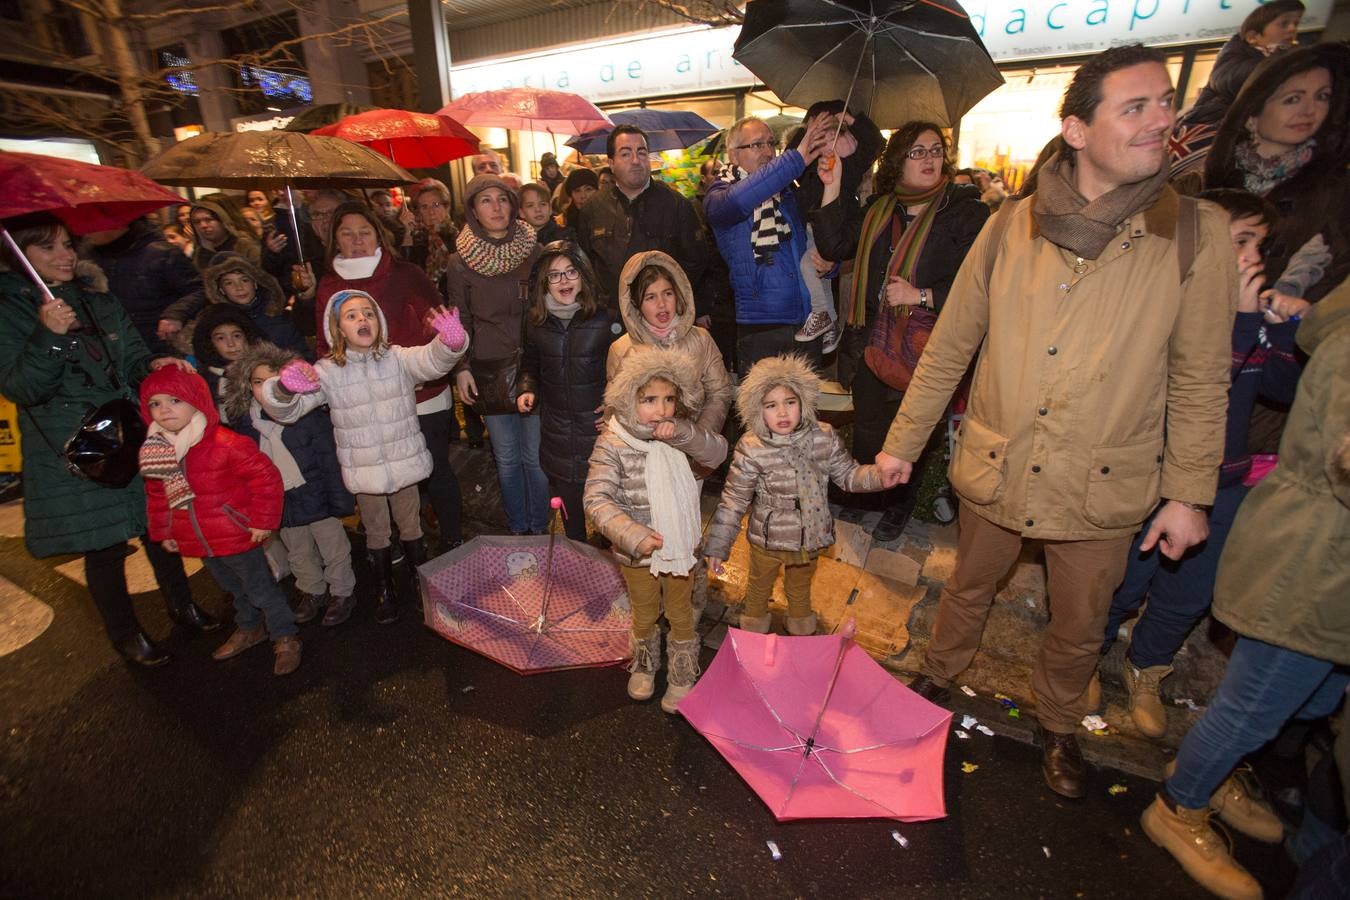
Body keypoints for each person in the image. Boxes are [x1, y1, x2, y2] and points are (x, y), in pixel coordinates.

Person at [876, 45, 1238, 800]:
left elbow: (1201, 378)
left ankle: (1059, 723)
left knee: (1080, 621)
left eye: (1164, 103)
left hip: (1104, 476)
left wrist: (1188, 493)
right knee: (967, 588)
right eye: (1134, 107)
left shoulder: (1197, 233)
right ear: (1076, 129)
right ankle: (939, 679)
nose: (1160, 120)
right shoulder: (1011, 225)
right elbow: (950, 349)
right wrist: (901, 447)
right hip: (1001, 460)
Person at [1140, 276, 1350, 900]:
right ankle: (1179, 807)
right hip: (1315, 563)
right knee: (1254, 706)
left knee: (1303, 705)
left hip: (1328, 565)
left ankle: (1207, 769)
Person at [1099, 189, 1303, 739]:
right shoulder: (1171, 303)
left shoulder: (1260, 315)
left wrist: (1280, 326)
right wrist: (1239, 320)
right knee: (1123, 578)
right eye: (1238, 242)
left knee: (1188, 590)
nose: (1249, 259)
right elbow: (1210, 380)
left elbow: (1283, 388)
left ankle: (1147, 669)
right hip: (1154, 470)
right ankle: (1085, 656)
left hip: (1228, 476)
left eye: (1259, 246)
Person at [0, 213, 217, 667]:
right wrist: (49, 336)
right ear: (19, 257)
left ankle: (182, 605)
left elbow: (132, 357)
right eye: (49, 248)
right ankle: (125, 633)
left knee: (158, 525)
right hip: (74, 447)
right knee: (103, 545)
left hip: (129, 429)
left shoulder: (96, 299)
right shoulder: (10, 310)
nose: (65, 255)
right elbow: (22, 387)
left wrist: (154, 368)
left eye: (66, 244)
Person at [813, 120, 989, 542]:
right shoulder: (880, 208)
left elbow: (982, 283)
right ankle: (871, 495)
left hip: (930, 344)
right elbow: (834, 244)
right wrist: (833, 182)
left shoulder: (964, 211)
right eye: (917, 151)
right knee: (872, 423)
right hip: (875, 340)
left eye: (935, 150)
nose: (929, 159)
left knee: (913, 429)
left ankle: (898, 505)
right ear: (897, 161)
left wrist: (921, 295)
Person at [263, 291, 468, 624]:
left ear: (380, 321)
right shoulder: (328, 371)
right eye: (352, 315)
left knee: (411, 524)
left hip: (404, 462)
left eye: (368, 313)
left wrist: (450, 344)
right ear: (338, 329)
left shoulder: (397, 358)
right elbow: (288, 411)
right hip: (365, 471)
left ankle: (419, 584)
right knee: (377, 531)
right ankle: (385, 588)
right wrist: (284, 389)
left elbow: (430, 361)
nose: (362, 319)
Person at [314, 201, 467, 553]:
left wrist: (439, 339)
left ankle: (450, 538)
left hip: (420, 389)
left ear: (378, 236)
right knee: (378, 481)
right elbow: (326, 345)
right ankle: (392, 545)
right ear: (334, 240)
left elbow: (439, 319)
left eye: (365, 233)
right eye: (347, 234)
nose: (357, 241)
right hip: (364, 403)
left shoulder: (405, 273)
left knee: (432, 470)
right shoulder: (329, 284)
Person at [584, 349, 728, 712]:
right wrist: (633, 534)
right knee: (645, 612)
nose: (661, 409)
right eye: (649, 400)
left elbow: (716, 454)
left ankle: (682, 674)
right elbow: (596, 499)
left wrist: (683, 433)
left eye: (668, 399)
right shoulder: (613, 442)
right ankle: (645, 664)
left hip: (680, 549)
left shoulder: (680, 435)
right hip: (636, 555)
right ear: (628, 400)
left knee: (681, 614)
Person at [704, 354, 886, 635]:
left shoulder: (823, 437)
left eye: (790, 402)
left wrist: (881, 475)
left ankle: (801, 636)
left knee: (800, 589)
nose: (782, 413)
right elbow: (734, 500)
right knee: (758, 588)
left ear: (803, 402)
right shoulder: (751, 447)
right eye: (771, 405)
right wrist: (718, 546)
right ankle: (754, 636)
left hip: (809, 538)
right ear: (757, 410)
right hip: (767, 541)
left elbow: (850, 476)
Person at [139, 367, 300, 675]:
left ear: (197, 401)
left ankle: (284, 635)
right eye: (155, 404)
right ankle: (250, 627)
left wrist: (261, 520)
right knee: (233, 589)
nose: (164, 410)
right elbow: (158, 494)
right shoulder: (157, 450)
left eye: (174, 400)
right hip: (201, 540)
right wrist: (164, 531)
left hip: (237, 535)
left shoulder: (225, 443)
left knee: (260, 589)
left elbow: (266, 479)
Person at [224, 343, 356, 627]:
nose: (265, 389)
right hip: (281, 500)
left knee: (333, 546)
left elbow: (327, 458)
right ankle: (312, 590)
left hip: (317, 494)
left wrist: (339, 498)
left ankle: (342, 592)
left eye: (273, 380)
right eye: (258, 382)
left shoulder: (306, 414)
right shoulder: (246, 424)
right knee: (298, 550)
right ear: (247, 386)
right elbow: (246, 470)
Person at [445, 175, 548, 535]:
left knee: (535, 458)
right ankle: (519, 528)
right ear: (473, 210)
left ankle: (539, 528)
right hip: (489, 370)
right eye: (485, 200)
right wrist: (461, 368)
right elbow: (461, 321)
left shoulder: (534, 251)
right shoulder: (459, 263)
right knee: (506, 460)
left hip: (533, 368)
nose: (496, 207)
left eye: (502, 199)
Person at [703, 112, 836, 375]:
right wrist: (795, 159)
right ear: (733, 155)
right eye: (757, 144)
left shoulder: (788, 194)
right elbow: (744, 198)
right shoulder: (720, 197)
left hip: (807, 324)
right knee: (761, 413)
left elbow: (816, 241)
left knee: (805, 412)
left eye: (770, 143)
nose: (767, 151)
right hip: (760, 328)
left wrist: (829, 264)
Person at [515, 242, 619, 540]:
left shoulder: (605, 319)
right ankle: (577, 564)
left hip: (598, 432)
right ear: (543, 282)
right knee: (571, 516)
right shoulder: (536, 323)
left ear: (584, 274)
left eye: (571, 272)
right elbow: (529, 366)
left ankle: (607, 561)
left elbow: (626, 375)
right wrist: (527, 389)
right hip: (557, 432)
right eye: (554, 275)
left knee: (606, 511)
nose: (564, 281)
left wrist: (614, 408)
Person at [606, 250, 731, 472]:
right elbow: (616, 407)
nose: (662, 305)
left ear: (679, 294)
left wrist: (696, 439)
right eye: (650, 297)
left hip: (693, 457)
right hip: (642, 461)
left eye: (668, 293)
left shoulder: (700, 339)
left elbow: (719, 393)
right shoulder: (621, 348)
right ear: (635, 304)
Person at [1168, 0, 1306, 188]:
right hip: (1210, 131)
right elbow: (1232, 79)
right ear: (1252, 37)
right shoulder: (1236, 58)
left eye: (1295, 24)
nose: (1291, 29)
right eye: (1283, 23)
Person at [786, 102, 886, 350]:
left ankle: (822, 314)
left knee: (808, 265)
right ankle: (829, 323)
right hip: (811, 226)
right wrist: (807, 132)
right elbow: (789, 162)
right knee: (819, 273)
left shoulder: (850, 163)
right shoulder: (808, 166)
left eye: (834, 132)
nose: (828, 139)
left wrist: (852, 120)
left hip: (837, 227)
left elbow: (875, 143)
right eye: (821, 134)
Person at [576, 125, 708, 313]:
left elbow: (696, 262)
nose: (636, 160)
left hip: (663, 318)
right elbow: (585, 265)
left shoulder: (676, 205)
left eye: (642, 152)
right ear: (611, 163)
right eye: (626, 154)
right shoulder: (593, 209)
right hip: (609, 318)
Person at [83, 217, 205, 357]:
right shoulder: (87, 258)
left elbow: (198, 289)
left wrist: (176, 315)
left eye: (93, 225)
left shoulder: (161, 253)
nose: (87, 232)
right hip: (115, 347)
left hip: (161, 344)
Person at [187, 253, 308, 358]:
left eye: (244, 280)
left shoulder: (277, 315)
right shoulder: (213, 322)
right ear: (221, 290)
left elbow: (302, 353)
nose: (239, 288)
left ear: (255, 283)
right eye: (229, 283)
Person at [188, 303, 262, 416]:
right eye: (221, 338)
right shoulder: (203, 378)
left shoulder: (262, 370)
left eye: (237, 336)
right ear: (210, 343)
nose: (231, 344)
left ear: (248, 337)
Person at [398, 178, 460, 300]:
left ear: (446, 207)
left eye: (436, 205)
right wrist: (407, 233)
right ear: (418, 212)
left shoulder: (458, 238)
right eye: (424, 207)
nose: (431, 212)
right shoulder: (415, 239)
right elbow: (406, 273)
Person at [188, 199, 259, 273]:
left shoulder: (244, 245)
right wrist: (207, 251)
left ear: (222, 221)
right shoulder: (199, 253)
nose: (203, 225)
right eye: (197, 222)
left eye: (208, 219)